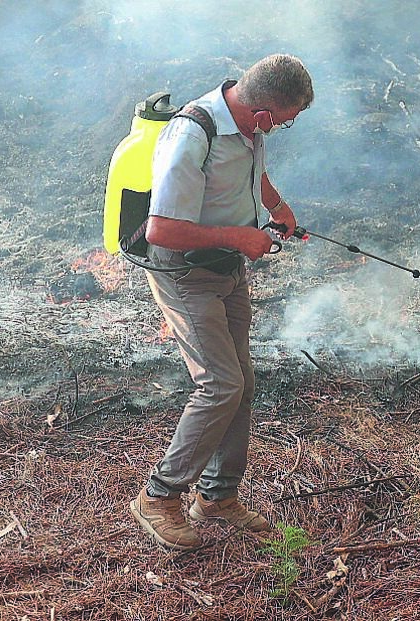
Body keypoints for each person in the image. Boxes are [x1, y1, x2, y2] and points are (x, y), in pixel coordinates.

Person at [129, 54, 314, 550]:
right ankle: (159, 496)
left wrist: (276, 208)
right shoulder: (192, 135)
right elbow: (161, 229)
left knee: (242, 384)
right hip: (185, 274)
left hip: (226, 269)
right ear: (261, 113)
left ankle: (216, 497)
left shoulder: (248, 128)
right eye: (284, 120)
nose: (283, 128)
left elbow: (251, 176)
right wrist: (239, 237)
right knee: (219, 384)